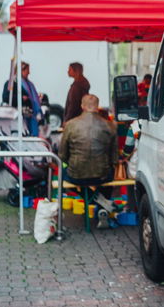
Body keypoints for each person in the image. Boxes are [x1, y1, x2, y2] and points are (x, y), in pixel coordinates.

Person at [58, 94, 117, 228]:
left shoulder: (70, 125)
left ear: (82, 106)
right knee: (110, 172)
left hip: (76, 175)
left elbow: (62, 155)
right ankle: (102, 205)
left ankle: (96, 199)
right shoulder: (110, 126)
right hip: (102, 175)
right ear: (97, 107)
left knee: (62, 173)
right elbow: (114, 158)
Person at [1, 62, 43, 136]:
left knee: (31, 135)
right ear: (21, 71)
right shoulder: (11, 83)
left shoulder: (29, 84)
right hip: (18, 118)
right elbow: (6, 98)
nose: (29, 73)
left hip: (29, 116)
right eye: (27, 70)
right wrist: (21, 98)